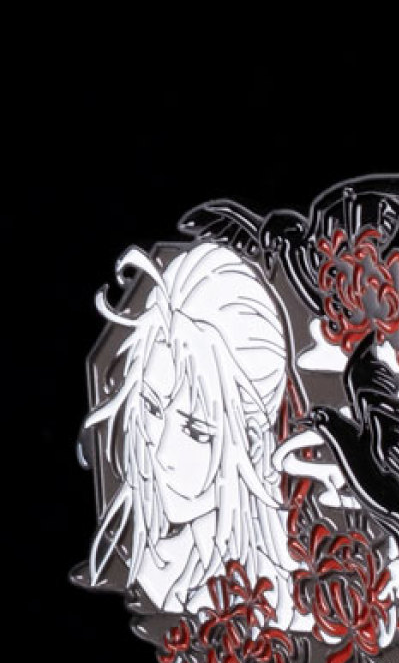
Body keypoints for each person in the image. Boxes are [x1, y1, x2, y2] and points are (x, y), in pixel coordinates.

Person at [85, 242, 301, 623]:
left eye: (197, 430)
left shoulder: (291, 603)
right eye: (153, 408)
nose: (162, 453)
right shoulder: (147, 572)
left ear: (253, 443)